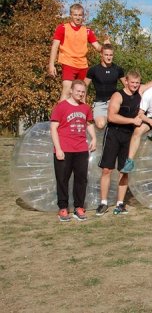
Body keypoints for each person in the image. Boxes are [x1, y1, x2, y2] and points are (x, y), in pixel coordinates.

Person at [95, 71, 143, 216]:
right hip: (114, 134)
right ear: (126, 81)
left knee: (124, 170)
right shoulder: (118, 95)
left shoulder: (139, 95)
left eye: (137, 82)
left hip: (128, 136)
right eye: (132, 82)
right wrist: (132, 121)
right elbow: (111, 117)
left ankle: (120, 204)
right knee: (107, 170)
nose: (134, 85)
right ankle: (103, 203)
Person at [50, 80, 97, 222]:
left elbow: (88, 124)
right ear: (71, 90)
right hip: (64, 149)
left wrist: (94, 138)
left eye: (83, 92)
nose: (80, 94)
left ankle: (79, 207)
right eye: (78, 91)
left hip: (81, 149)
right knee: (63, 179)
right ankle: (63, 208)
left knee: (81, 180)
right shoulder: (61, 107)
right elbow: (53, 128)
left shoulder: (86, 108)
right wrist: (58, 148)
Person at [48, 3, 107, 101]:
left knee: (82, 93)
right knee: (67, 89)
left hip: (82, 65)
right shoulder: (62, 28)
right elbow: (55, 46)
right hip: (68, 62)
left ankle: (82, 116)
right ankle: (59, 116)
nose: (78, 17)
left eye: (80, 15)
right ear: (71, 15)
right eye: (75, 15)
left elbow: (97, 46)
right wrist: (51, 65)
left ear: (83, 16)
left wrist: (105, 46)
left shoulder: (87, 31)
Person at [84, 44, 125, 129]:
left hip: (114, 102)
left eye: (111, 55)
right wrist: (84, 104)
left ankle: (111, 119)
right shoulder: (93, 70)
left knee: (119, 124)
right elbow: (84, 86)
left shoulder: (118, 69)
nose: (109, 57)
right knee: (100, 124)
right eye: (106, 55)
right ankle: (109, 119)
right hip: (100, 103)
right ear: (101, 55)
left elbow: (127, 86)